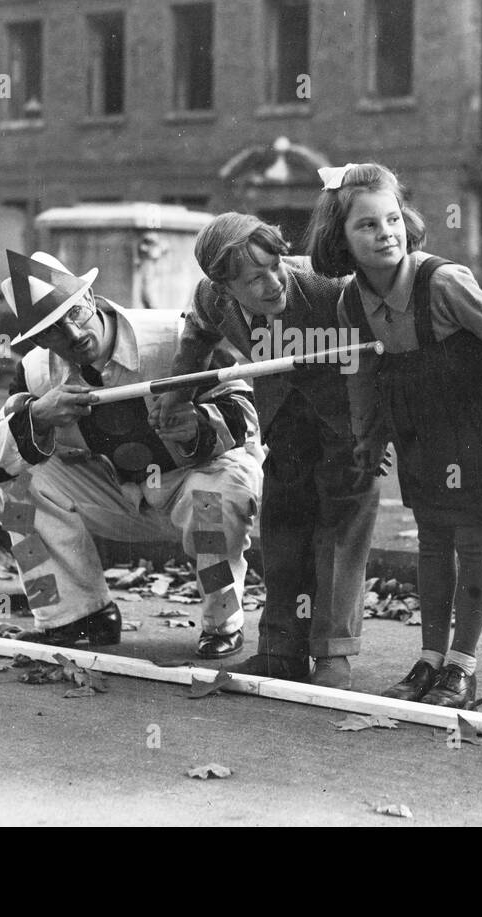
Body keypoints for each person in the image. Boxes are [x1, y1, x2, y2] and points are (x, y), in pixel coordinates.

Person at [308, 163, 482, 709]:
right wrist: (367, 437)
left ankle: (462, 665)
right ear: (340, 240)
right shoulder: (349, 302)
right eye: (367, 226)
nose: (385, 233)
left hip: (477, 424)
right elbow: (362, 373)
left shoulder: (445, 283)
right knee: (430, 540)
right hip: (419, 429)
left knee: (471, 537)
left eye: (392, 219)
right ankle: (430, 658)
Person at [0, 249, 264, 659]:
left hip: (189, 485)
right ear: (37, 340)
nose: (73, 335)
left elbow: (249, 418)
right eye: (54, 330)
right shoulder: (36, 372)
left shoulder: (176, 336)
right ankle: (75, 615)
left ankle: (223, 619)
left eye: (74, 314)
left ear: (89, 299)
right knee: (19, 479)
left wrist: (200, 423)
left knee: (220, 492)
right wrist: (37, 417)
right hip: (114, 495)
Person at [155, 213, 381, 689]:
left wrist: (373, 430)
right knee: (283, 532)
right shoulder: (211, 298)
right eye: (254, 279)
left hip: (348, 421)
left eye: (275, 265)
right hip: (284, 418)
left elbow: (381, 353)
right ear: (224, 285)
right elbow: (197, 335)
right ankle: (281, 651)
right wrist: (177, 397)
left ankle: (332, 656)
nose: (274, 282)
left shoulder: (328, 288)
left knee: (337, 534)